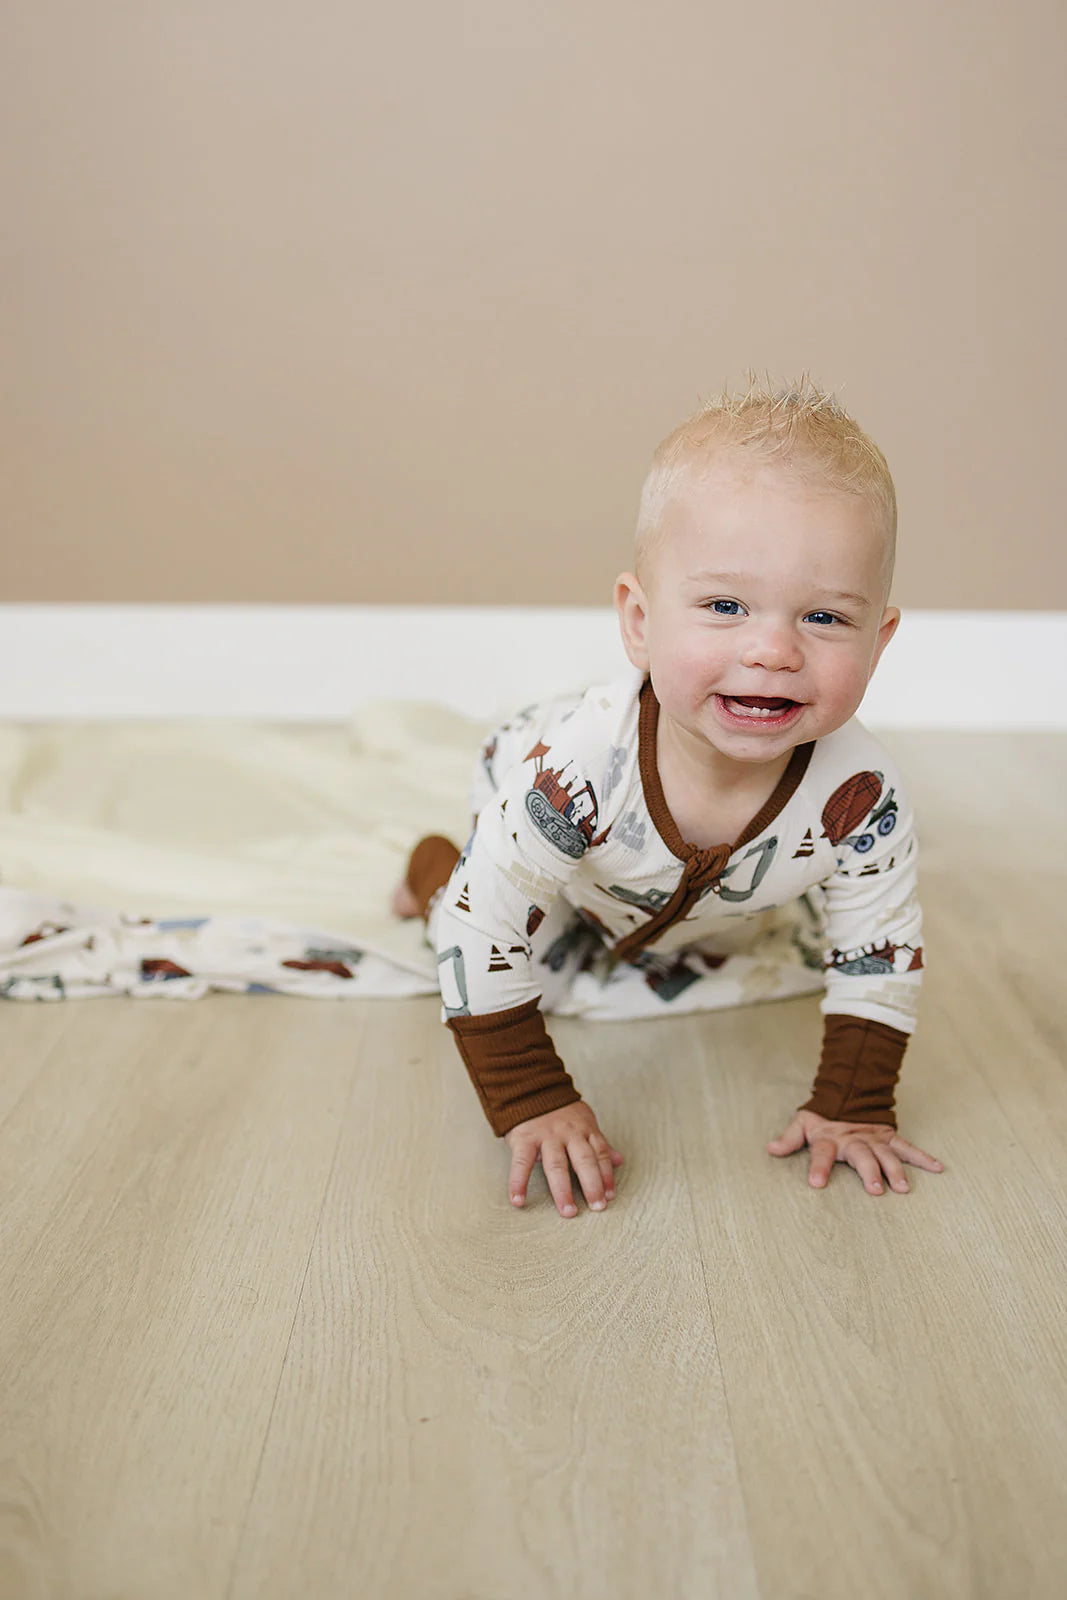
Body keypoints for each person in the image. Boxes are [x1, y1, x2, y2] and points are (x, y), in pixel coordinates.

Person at [393, 376, 945, 1217]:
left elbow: (878, 940)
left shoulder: (861, 793)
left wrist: (853, 1103)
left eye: (825, 618)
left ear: (881, 640)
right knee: (482, 934)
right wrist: (532, 1097)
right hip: (564, 848)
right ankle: (433, 863)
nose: (771, 650)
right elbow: (484, 922)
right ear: (640, 623)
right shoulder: (575, 769)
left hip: (701, 890)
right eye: (725, 605)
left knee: (782, 947)